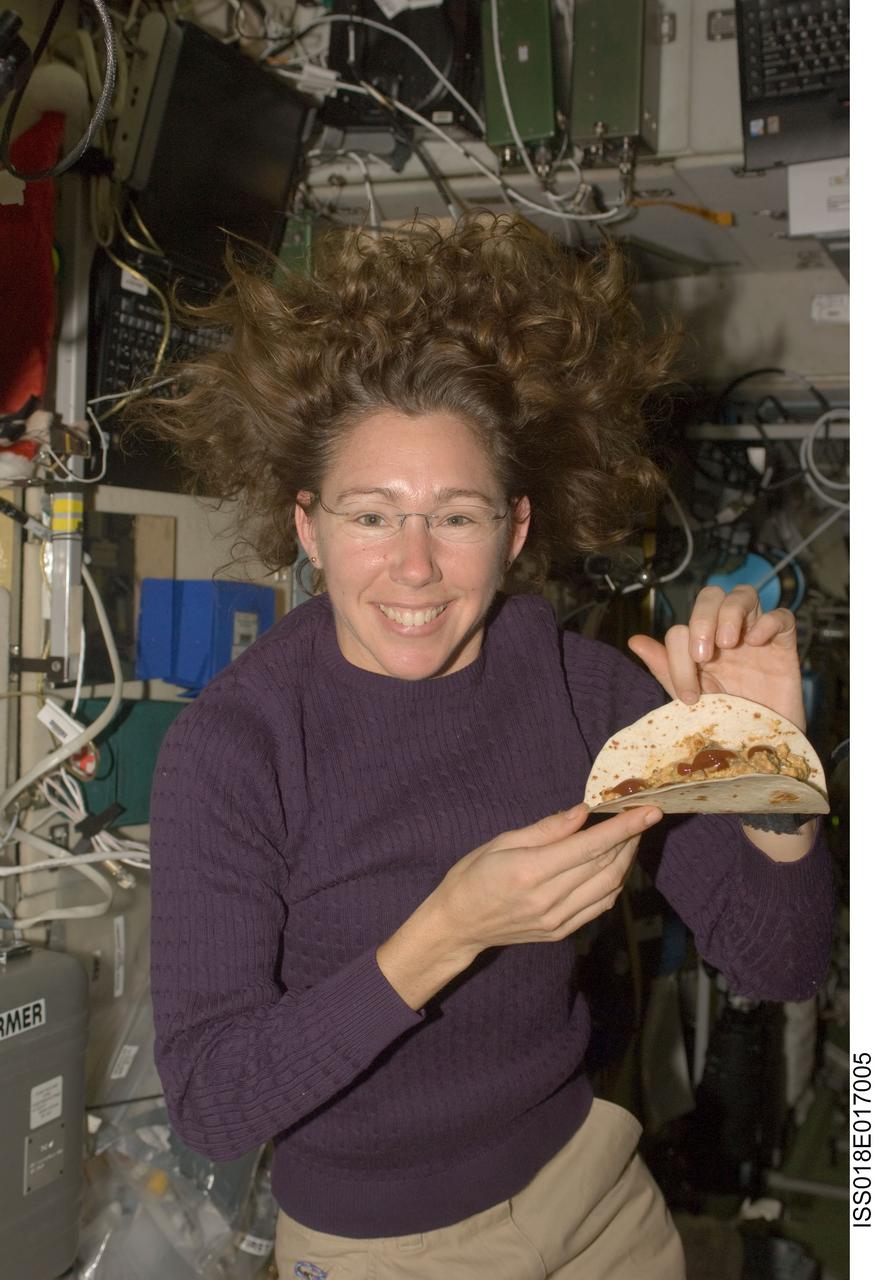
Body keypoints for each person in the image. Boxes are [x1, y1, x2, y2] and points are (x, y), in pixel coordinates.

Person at [146, 214, 833, 1279]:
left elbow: (777, 960)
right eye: (372, 515)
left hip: (594, 1194)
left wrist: (769, 773)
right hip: (384, 1245)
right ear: (307, 524)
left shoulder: (576, 686)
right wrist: (446, 931)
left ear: (514, 531)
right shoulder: (234, 749)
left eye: (455, 517)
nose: (413, 566)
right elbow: (212, 1101)